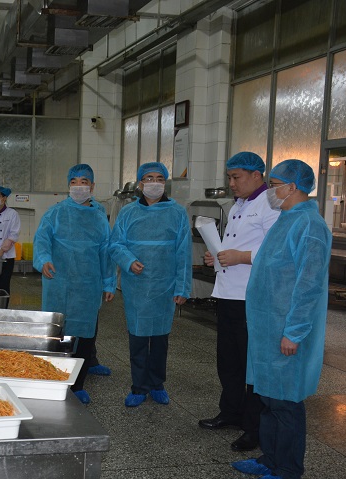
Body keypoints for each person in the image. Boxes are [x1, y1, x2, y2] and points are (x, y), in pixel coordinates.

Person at [231, 160, 331, 479]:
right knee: (269, 398)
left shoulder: (310, 226)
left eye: (274, 185)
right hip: (267, 327)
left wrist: (294, 332)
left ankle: (288, 472)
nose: (270, 192)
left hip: (286, 330)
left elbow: (309, 285)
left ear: (293, 187)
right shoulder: (286, 219)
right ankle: (270, 458)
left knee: (286, 403)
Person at [198, 152, 280, 452]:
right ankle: (231, 412)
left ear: (257, 175)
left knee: (251, 364)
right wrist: (217, 255)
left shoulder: (271, 205)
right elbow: (234, 245)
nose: (231, 183)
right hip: (228, 293)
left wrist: (240, 257)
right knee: (229, 360)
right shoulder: (238, 205)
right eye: (229, 177)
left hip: (252, 296)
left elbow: (276, 252)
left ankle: (253, 427)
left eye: (237, 177)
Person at [109, 162, 192, 407]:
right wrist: (129, 261)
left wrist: (182, 287)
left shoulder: (177, 213)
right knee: (137, 338)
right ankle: (138, 387)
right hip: (136, 286)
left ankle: (156, 384)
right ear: (140, 183)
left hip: (165, 286)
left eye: (159, 178)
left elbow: (184, 252)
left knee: (159, 339)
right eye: (149, 178)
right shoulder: (128, 213)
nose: (154, 183)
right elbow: (116, 244)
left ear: (165, 183)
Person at [33, 164, 116, 405]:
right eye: (74, 182)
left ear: (92, 186)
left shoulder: (99, 217)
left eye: (84, 182)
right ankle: (55, 379)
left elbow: (105, 252)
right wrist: (43, 259)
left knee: (85, 334)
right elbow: (42, 240)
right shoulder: (56, 213)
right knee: (58, 333)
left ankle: (78, 384)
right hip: (58, 282)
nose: (79, 187)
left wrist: (109, 283)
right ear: (68, 185)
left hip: (88, 285)